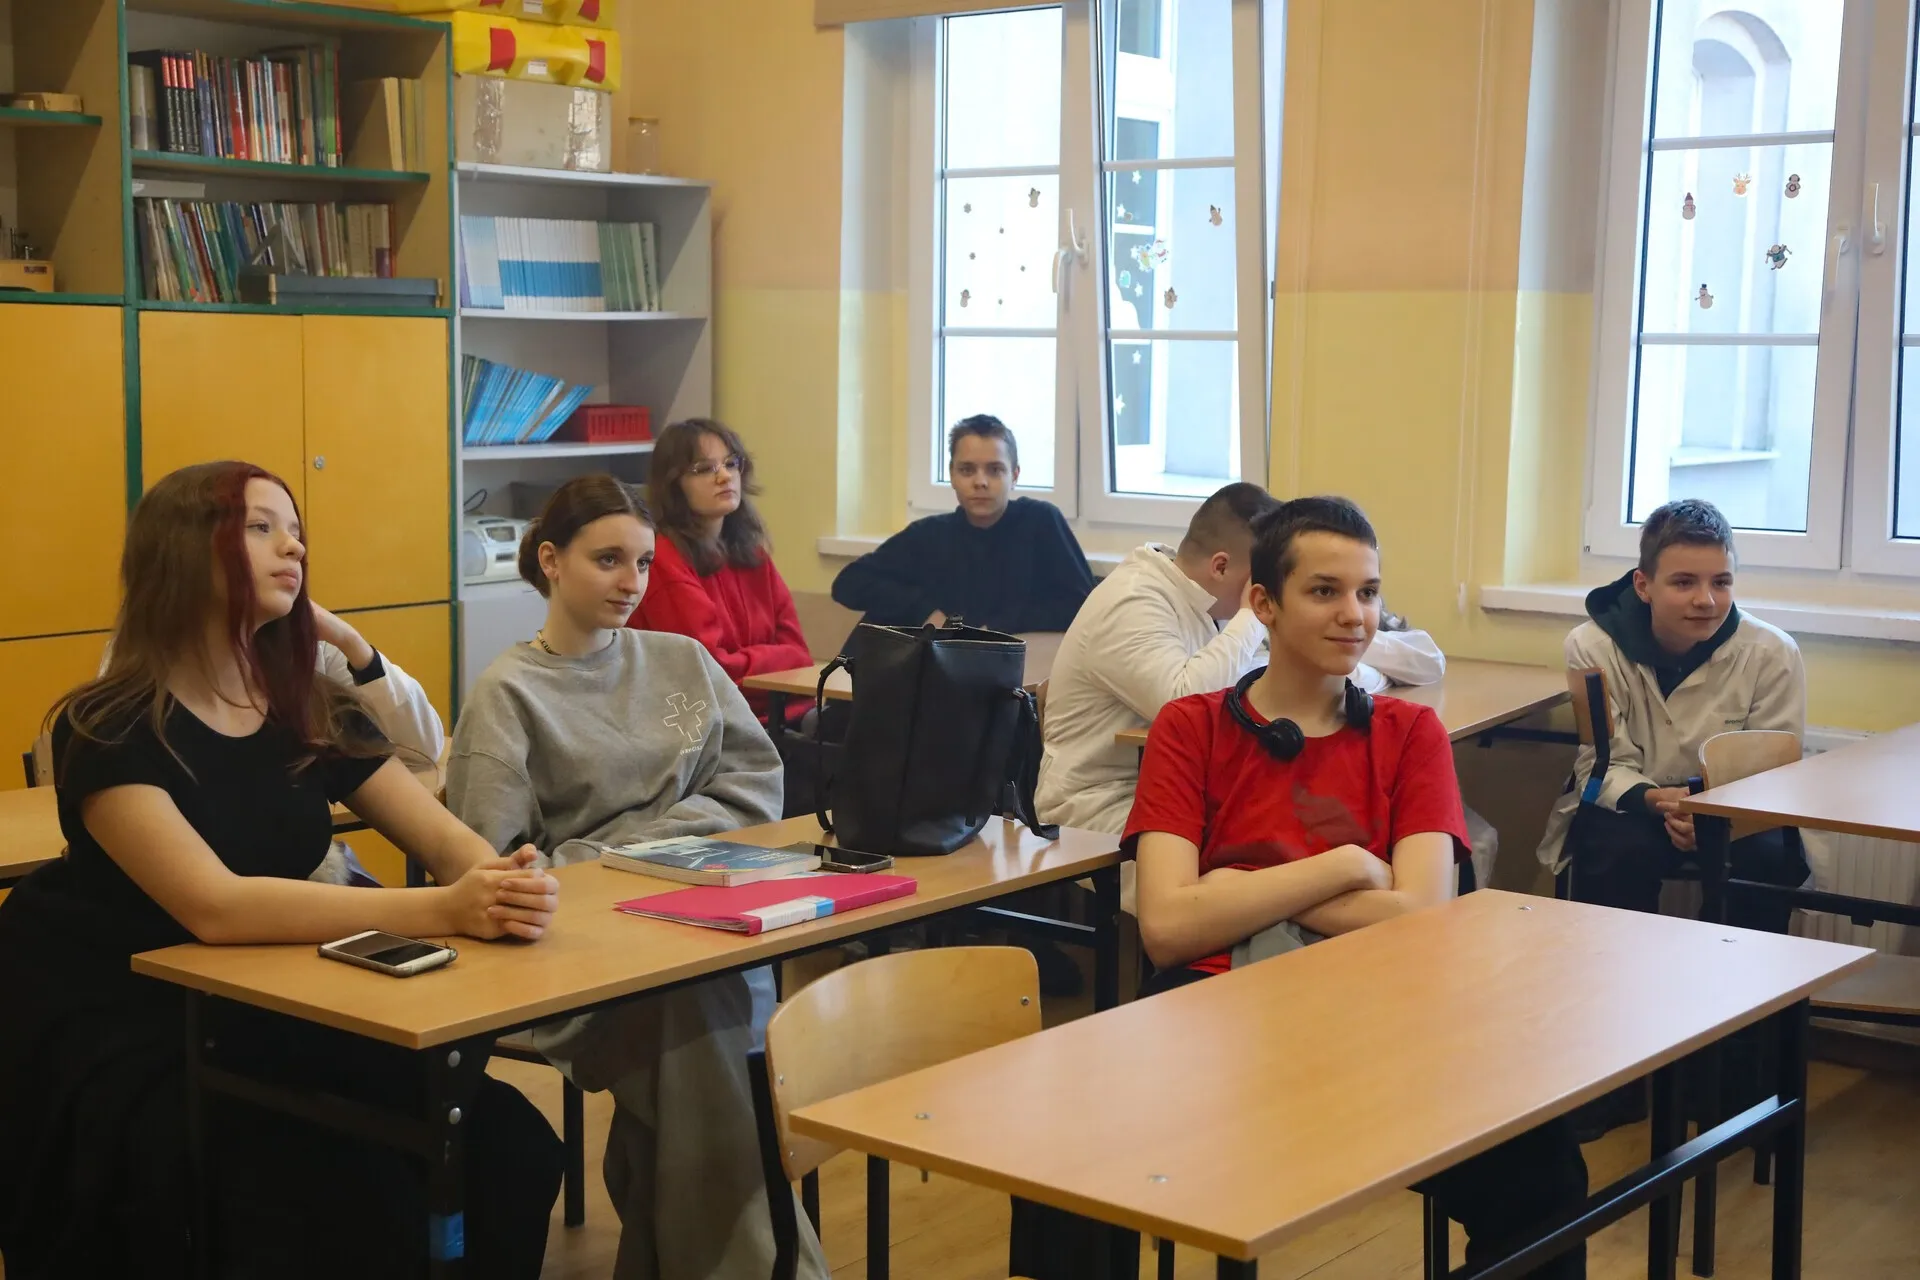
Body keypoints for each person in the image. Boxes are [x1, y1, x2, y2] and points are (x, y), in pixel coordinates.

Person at [0, 461, 562, 1280]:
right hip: (135, 1011)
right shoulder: (108, 724)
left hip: (284, 991)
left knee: (511, 1146)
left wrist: (505, 880)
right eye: (260, 527)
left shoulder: (307, 704)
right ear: (182, 550)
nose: (293, 547)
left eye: (295, 530)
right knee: (347, 1190)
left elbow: (447, 841)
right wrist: (449, 908)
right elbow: (214, 907)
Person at [1114, 496, 1587, 1280]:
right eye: (1324, 591)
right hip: (1212, 1014)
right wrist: (1343, 867)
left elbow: (1421, 919)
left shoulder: (1409, 733)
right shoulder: (1189, 728)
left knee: (1543, 1170)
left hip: (1374, 1015)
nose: (1354, 615)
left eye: (1368, 592)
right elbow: (1166, 928)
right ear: (1263, 604)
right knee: (1067, 1156)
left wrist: (1233, 888)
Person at [447, 474, 828, 1280]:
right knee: (698, 1020)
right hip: (582, 955)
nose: (632, 582)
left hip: (705, 922)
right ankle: (770, 1267)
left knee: (706, 1007)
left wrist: (632, 845)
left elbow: (756, 784)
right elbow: (497, 862)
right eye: (608, 560)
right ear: (551, 561)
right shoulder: (508, 694)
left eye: (645, 563)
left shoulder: (681, 660)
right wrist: (630, 856)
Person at [1535, 498, 1808, 1139]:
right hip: (1637, 800)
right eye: (1684, 582)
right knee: (1610, 858)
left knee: (1764, 868)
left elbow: (1772, 766)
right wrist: (1661, 802)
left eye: (1721, 581)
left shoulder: (1772, 652)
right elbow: (1601, 762)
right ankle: (1613, 1080)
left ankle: (1729, 1085)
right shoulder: (1591, 645)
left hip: (1734, 807)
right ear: (1643, 584)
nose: (1706, 601)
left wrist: (1711, 811)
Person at [1038, 481, 1445, 843]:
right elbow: (1184, 704)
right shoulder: (1134, 601)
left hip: (1182, 788)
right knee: (1276, 842)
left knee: (1320, 828)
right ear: (1223, 568)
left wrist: (1343, 638)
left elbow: (1419, 660)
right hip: (1099, 806)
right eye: (1261, 581)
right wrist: (1255, 612)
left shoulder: (1211, 604)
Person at [102, 598, 448, 887]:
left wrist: (351, 643)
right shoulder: (131, 699)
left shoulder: (314, 686)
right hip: (199, 896)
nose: (292, 548)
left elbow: (421, 748)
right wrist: (438, 907)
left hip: (303, 886)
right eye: (261, 536)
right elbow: (217, 903)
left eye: (297, 539)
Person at [830, 414, 1094, 637]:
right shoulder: (928, 536)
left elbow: (1083, 605)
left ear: (1014, 476)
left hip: (1018, 666)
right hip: (938, 667)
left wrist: (996, 627)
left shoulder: (1041, 522)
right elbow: (848, 584)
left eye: (994, 470)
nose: (980, 482)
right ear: (952, 475)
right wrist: (925, 612)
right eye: (967, 470)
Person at [627, 418, 812, 725]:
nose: (725, 476)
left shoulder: (752, 554)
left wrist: (754, 666)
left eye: (731, 463)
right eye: (704, 469)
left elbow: (800, 656)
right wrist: (776, 662)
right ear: (674, 486)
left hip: (778, 714)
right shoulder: (664, 561)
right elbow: (711, 673)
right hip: (710, 728)